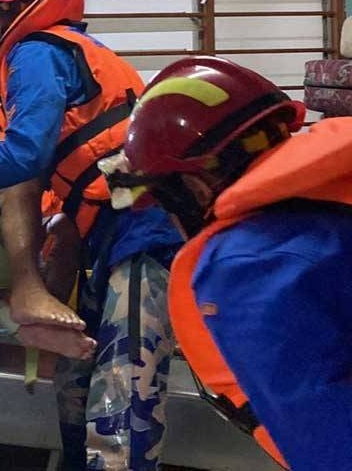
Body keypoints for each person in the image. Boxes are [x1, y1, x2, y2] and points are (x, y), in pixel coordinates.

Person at [0, 0, 184, 470]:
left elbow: (25, 156)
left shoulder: (34, 52)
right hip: (107, 232)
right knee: (77, 381)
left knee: (125, 383)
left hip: (144, 227)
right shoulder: (31, 71)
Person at [103, 56, 352, 470]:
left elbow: (326, 438)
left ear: (194, 188)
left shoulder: (248, 265)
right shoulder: (331, 200)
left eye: (163, 200)